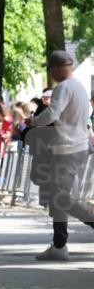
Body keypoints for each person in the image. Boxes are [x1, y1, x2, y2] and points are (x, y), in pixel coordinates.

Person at [29, 50, 94, 261]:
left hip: (68, 148)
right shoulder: (80, 87)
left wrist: (34, 121)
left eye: (50, 69)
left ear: (57, 68)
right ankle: (59, 245)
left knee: (61, 197)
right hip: (75, 146)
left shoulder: (63, 88)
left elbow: (52, 114)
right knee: (58, 199)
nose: (51, 73)